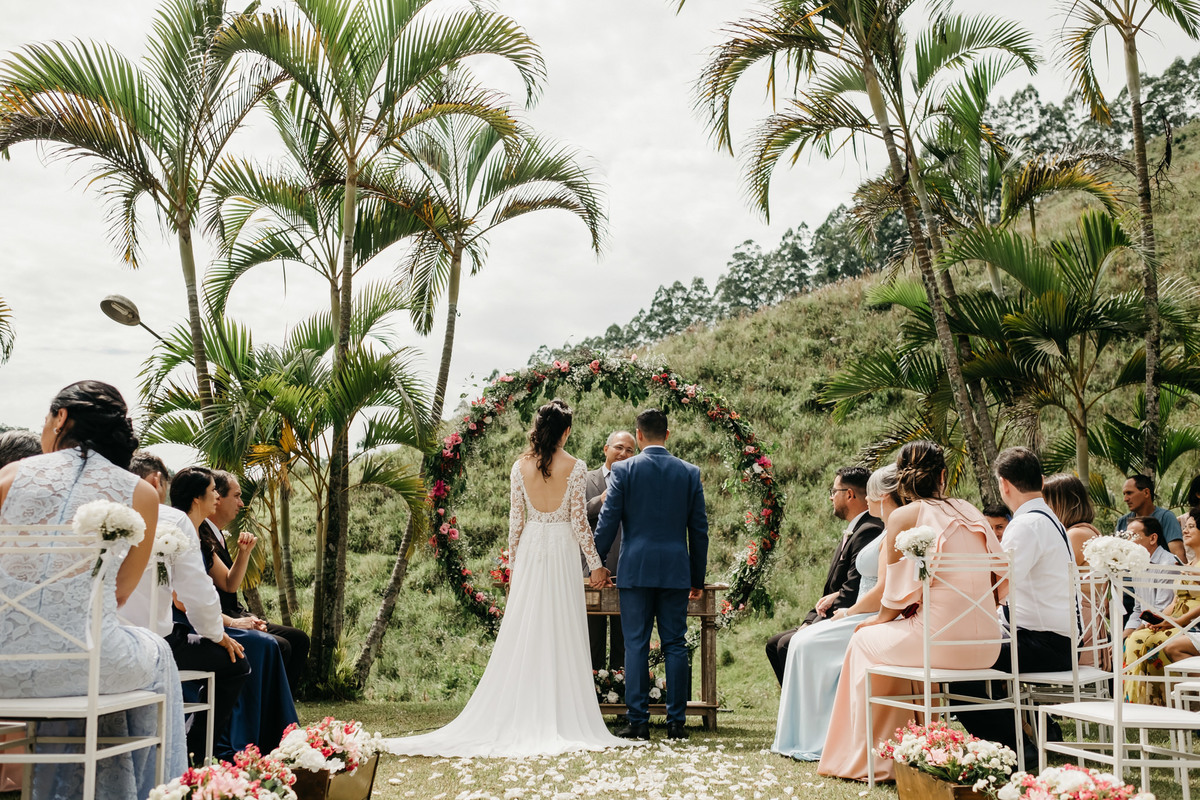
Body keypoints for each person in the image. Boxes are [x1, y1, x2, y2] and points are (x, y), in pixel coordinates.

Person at [382, 399, 638, 757]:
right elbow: (581, 524)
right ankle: (561, 711)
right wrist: (596, 564)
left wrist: (515, 569)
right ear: (565, 431)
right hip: (563, 549)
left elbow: (515, 524)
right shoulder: (576, 467)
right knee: (562, 627)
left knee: (529, 628)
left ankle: (526, 707)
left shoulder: (520, 467)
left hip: (532, 549)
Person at [0, 380, 186, 799]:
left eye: (46, 417)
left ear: (62, 417)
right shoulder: (139, 492)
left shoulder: (8, 475)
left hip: (3, 667)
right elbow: (120, 594)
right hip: (88, 668)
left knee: (101, 652)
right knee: (153, 654)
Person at [818, 440, 1004, 783]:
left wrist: (876, 620)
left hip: (938, 644)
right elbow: (1000, 576)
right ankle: (911, 746)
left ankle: (869, 758)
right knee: (890, 642)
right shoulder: (970, 510)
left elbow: (896, 597)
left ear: (900, 479)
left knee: (864, 641)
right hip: (989, 645)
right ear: (943, 476)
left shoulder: (904, 516)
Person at [123, 452, 250, 764]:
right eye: (213, 493)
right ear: (156, 482)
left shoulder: (107, 514)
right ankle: (195, 751)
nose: (218, 498)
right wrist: (218, 635)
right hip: (157, 644)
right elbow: (197, 593)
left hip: (104, 639)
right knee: (236, 662)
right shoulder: (173, 520)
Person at [772, 464, 903, 762]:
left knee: (802, 644)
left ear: (880, 495)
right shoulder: (881, 527)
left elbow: (879, 590)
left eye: (870, 495)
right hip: (858, 610)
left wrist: (848, 612)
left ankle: (820, 735)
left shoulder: (879, 529)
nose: (867, 502)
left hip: (867, 613)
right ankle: (804, 730)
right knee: (797, 643)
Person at [594, 407, 709, 741]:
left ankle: (639, 722)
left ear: (639, 435)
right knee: (675, 644)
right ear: (667, 435)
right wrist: (696, 578)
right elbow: (698, 530)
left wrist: (596, 563)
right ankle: (676, 724)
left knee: (636, 645)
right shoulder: (689, 472)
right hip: (675, 571)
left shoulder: (625, 470)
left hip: (636, 570)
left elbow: (608, 521)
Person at [955, 447, 1074, 765]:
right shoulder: (1050, 520)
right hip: (1053, 639)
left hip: (1043, 643)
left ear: (1004, 485)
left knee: (957, 667)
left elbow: (994, 585)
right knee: (977, 659)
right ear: (1042, 481)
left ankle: (1018, 748)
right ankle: (1041, 730)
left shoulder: (1024, 526)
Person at [171, 467, 298, 755]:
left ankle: (270, 734)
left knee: (266, 644)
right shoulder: (179, 536)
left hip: (206, 619)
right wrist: (225, 627)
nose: (216, 497)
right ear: (196, 498)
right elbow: (184, 602)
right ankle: (232, 742)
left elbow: (223, 586)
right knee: (259, 645)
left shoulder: (199, 538)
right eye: (212, 492)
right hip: (187, 626)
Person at [765, 466, 882, 685]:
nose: (830, 497)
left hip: (853, 616)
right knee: (774, 644)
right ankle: (796, 713)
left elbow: (852, 591)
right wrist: (810, 620)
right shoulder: (856, 529)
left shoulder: (869, 530)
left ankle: (809, 714)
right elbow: (832, 591)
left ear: (849, 494)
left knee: (786, 645)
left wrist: (814, 624)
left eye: (834, 490)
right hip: (835, 611)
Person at [197, 471, 309, 693]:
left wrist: (244, 553)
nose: (241, 503)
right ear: (217, 498)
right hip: (223, 618)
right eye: (236, 496)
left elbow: (231, 585)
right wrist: (242, 620)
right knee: (281, 645)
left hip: (236, 613)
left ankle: (284, 710)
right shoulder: (201, 535)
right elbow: (228, 585)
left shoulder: (216, 534)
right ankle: (268, 712)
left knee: (299, 639)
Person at [1125, 514, 1200, 704]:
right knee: (1137, 637)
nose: (1185, 530)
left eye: (1191, 526)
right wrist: (1156, 621)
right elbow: (1175, 602)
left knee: (1154, 641)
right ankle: (1140, 702)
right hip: (1179, 620)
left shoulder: (1171, 563)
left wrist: (1177, 622)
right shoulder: (1187, 565)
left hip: (1193, 625)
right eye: (1186, 526)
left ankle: (1169, 701)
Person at [583, 430, 636, 671]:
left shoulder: (638, 482)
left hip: (627, 573)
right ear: (606, 449)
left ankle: (623, 703)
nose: (623, 454)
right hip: (591, 574)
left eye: (629, 450)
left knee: (623, 644)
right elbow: (571, 517)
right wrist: (599, 501)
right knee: (591, 641)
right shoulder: (585, 479)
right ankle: (591, 702)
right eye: (618, 447)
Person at [1118, 475, 1185, 563]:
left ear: (1146, 492)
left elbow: (1178, 556)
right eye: (1124, 494)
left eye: (1129, 493)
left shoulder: (1166, 517)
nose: (1125, 499)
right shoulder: (1122, 521)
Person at [1042, 473, 1100, 566]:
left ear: (1060, 505)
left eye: (1045, 502)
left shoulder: (1076, 535)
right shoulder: (1082, 531)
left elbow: (1054, 574)